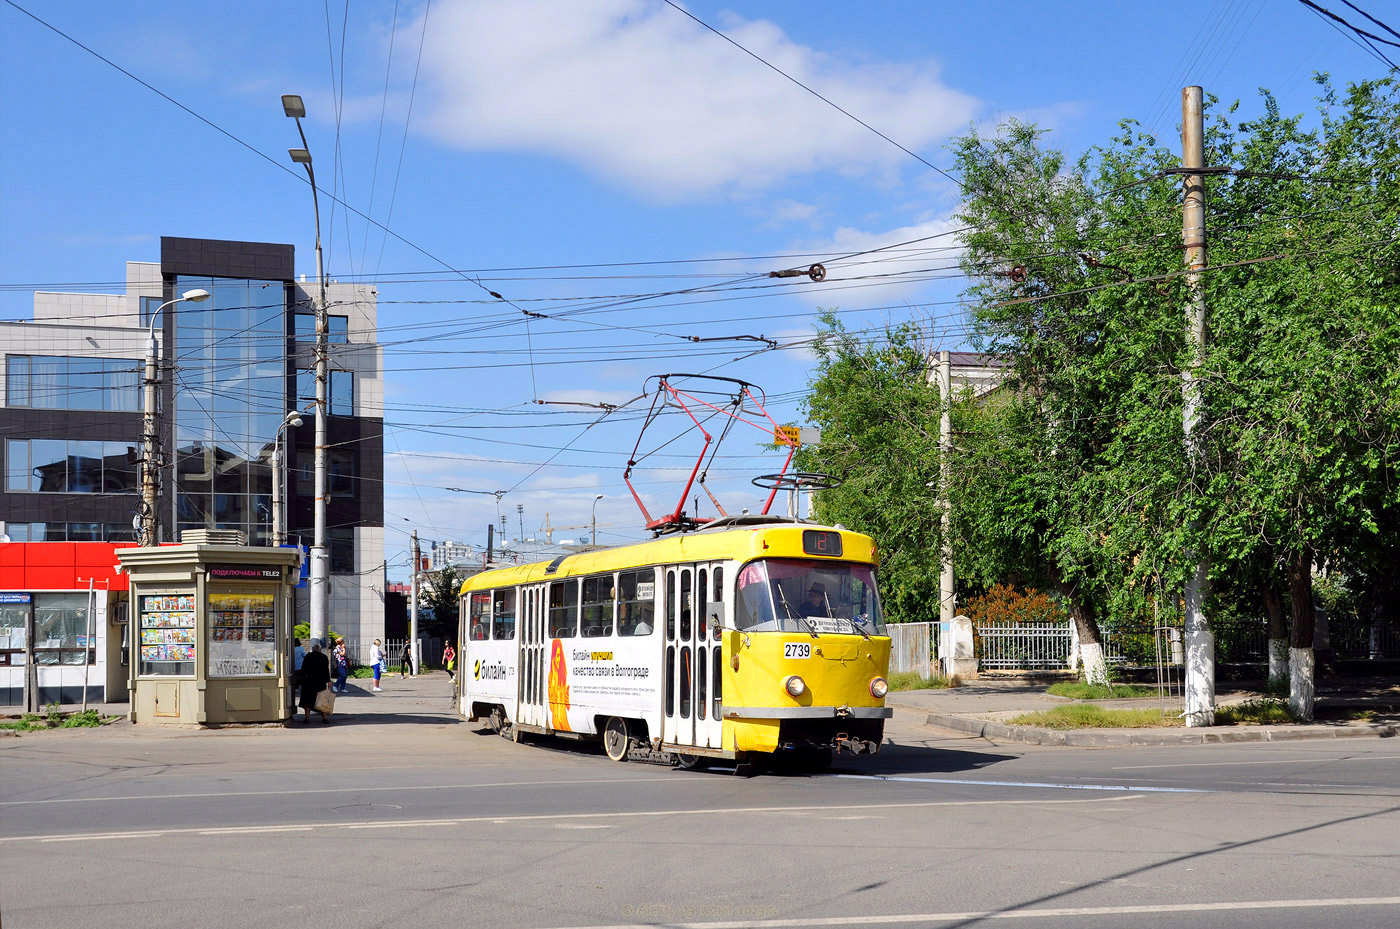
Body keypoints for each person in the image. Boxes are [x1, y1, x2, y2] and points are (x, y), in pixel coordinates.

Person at [298, 639, 332, 725]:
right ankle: (324, 718)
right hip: (320, 682)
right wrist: (328, 681)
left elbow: (303, 669)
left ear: (312, 649)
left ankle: (307, 718)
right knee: (322, 700)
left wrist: (301, 679)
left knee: (307, 701)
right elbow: (326, 671)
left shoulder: (308, 656)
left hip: (308, 682)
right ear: (320, 649)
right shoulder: (324, 657)